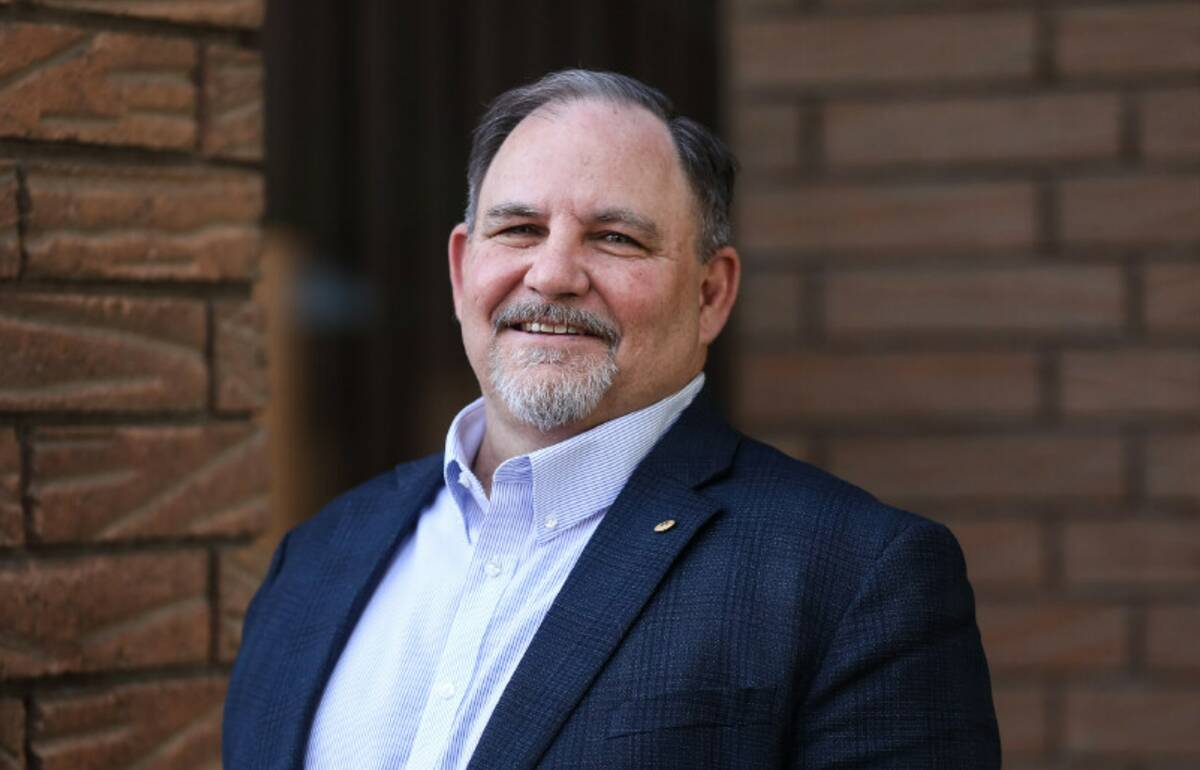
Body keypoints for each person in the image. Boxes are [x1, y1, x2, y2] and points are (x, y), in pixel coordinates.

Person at [223, 69, 1000, 769]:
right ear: (463, 271)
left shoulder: (855, 578)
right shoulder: (318, 558)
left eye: (616, 238)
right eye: (519, 230)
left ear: (710, 294)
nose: (553, 273)